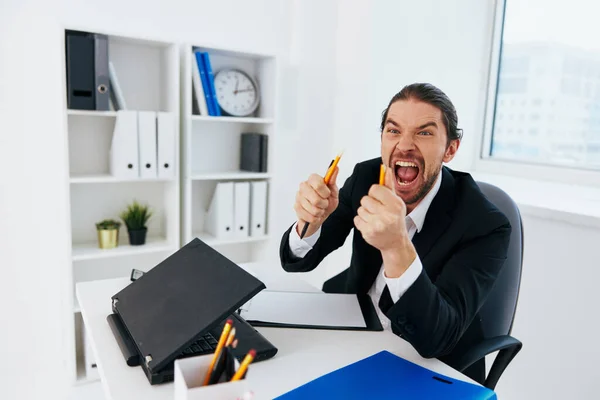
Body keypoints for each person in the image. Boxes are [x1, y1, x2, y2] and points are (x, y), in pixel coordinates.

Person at [279, 83, 511, 382]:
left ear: (450, 149)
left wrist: (396, 247)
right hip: (355, 335)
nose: (404, 145)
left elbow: (436, 339)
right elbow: (299, 261)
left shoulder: (485, 224)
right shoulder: (366, 176)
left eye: (424, 132)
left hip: (426, 364)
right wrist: (309, 221)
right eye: (393, 131)